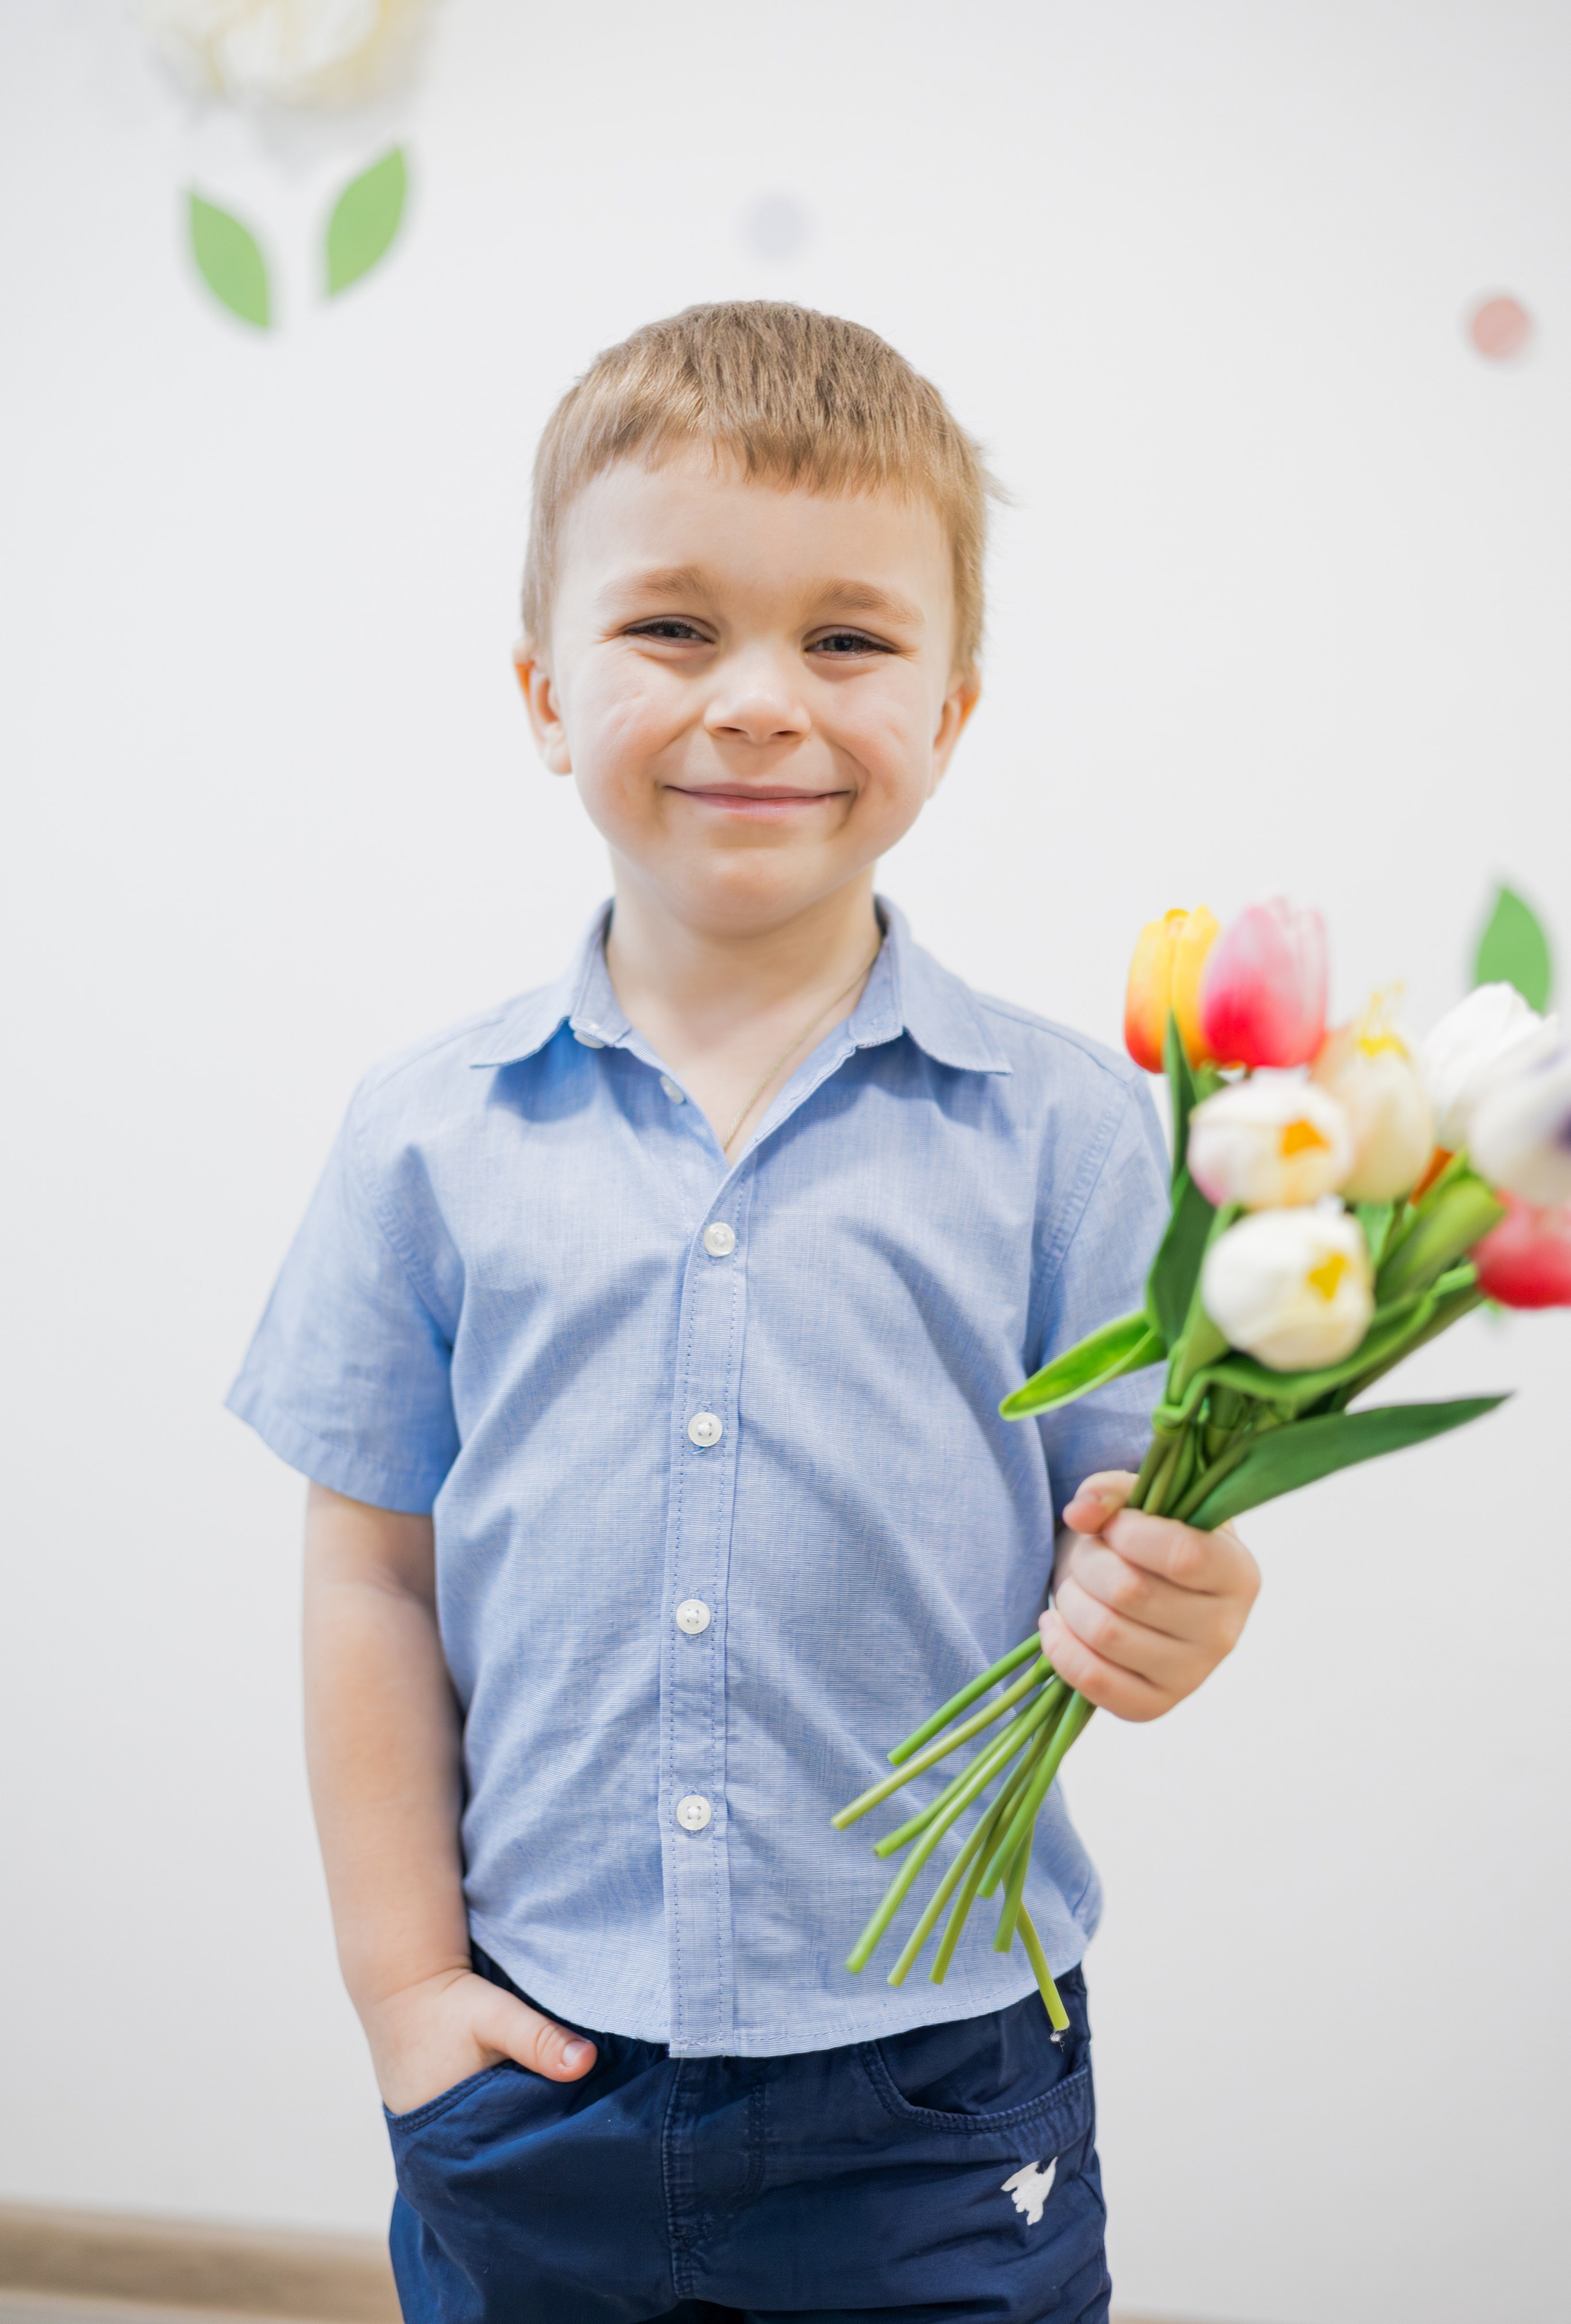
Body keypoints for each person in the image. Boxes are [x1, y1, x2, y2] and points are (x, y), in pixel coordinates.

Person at [228, 301, 1260, 2324]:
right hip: (539, 2060)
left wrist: (1187, 1607)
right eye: (676, 629)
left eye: (850, 640)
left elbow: (1151, 1533)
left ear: (954, 713)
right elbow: (367, 1572)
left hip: (948, 2095)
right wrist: (406, 1986)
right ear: (544, 690)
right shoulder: (430, 1137)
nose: (762, 702)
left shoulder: (1065, 1130)